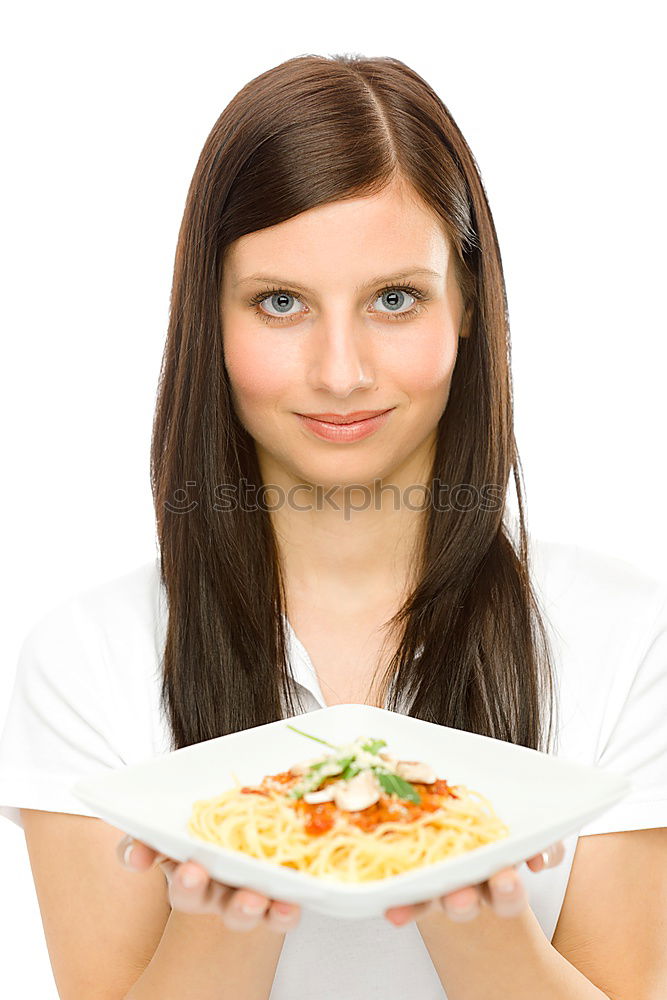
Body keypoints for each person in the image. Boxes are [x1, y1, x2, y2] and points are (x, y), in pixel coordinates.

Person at [1, 52, 666, 1000]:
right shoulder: (87, 658)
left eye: (395, 299)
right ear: (210, 319)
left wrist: (470, 903)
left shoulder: (627, 636)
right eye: (281, 303)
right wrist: (225, 911)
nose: (342, 371)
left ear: (467, 304)